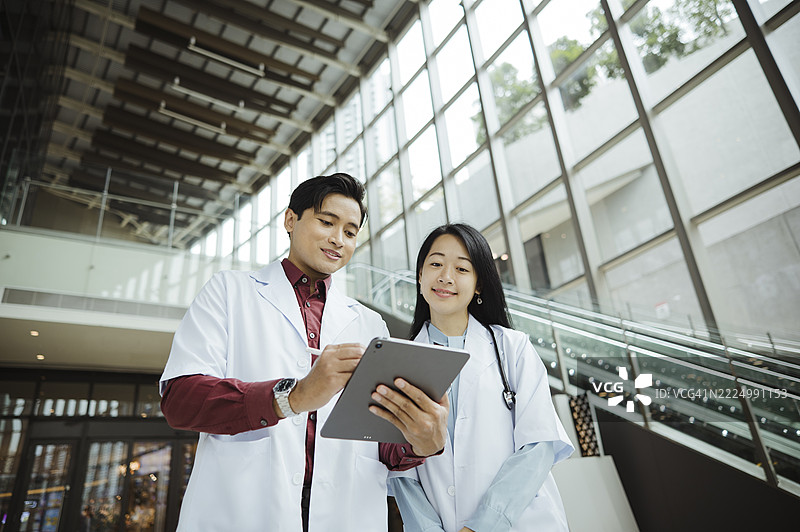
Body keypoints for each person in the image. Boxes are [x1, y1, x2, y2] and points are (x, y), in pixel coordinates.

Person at [159, 173, 448, 531]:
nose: (337, 239)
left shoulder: (370, 323)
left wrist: (420, 442)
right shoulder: (229, 292)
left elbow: (377, 444)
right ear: (290, 220)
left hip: (346, 516)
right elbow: (181, 400)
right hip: (242, 513)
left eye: (350, 232)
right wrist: (292, 397)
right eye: (327, 222)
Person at [386, 224, 574, 532]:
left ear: (478, 285)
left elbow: (538, 445)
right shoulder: (398, 362)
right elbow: (401, 472)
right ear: (420, 275)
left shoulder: (512, 348)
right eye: (435, 264)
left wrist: (482, 526)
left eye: (462, 268)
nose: (446, 276)